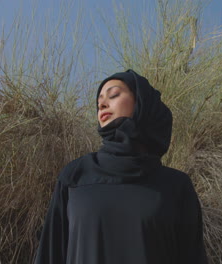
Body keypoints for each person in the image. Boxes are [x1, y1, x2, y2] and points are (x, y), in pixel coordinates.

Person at [34, 69, 208, 264]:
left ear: (141, 103)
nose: (102, 104)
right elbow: (50, 254)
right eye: (99, 100)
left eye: (114, 95)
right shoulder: (75, 176)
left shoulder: (176, 185)